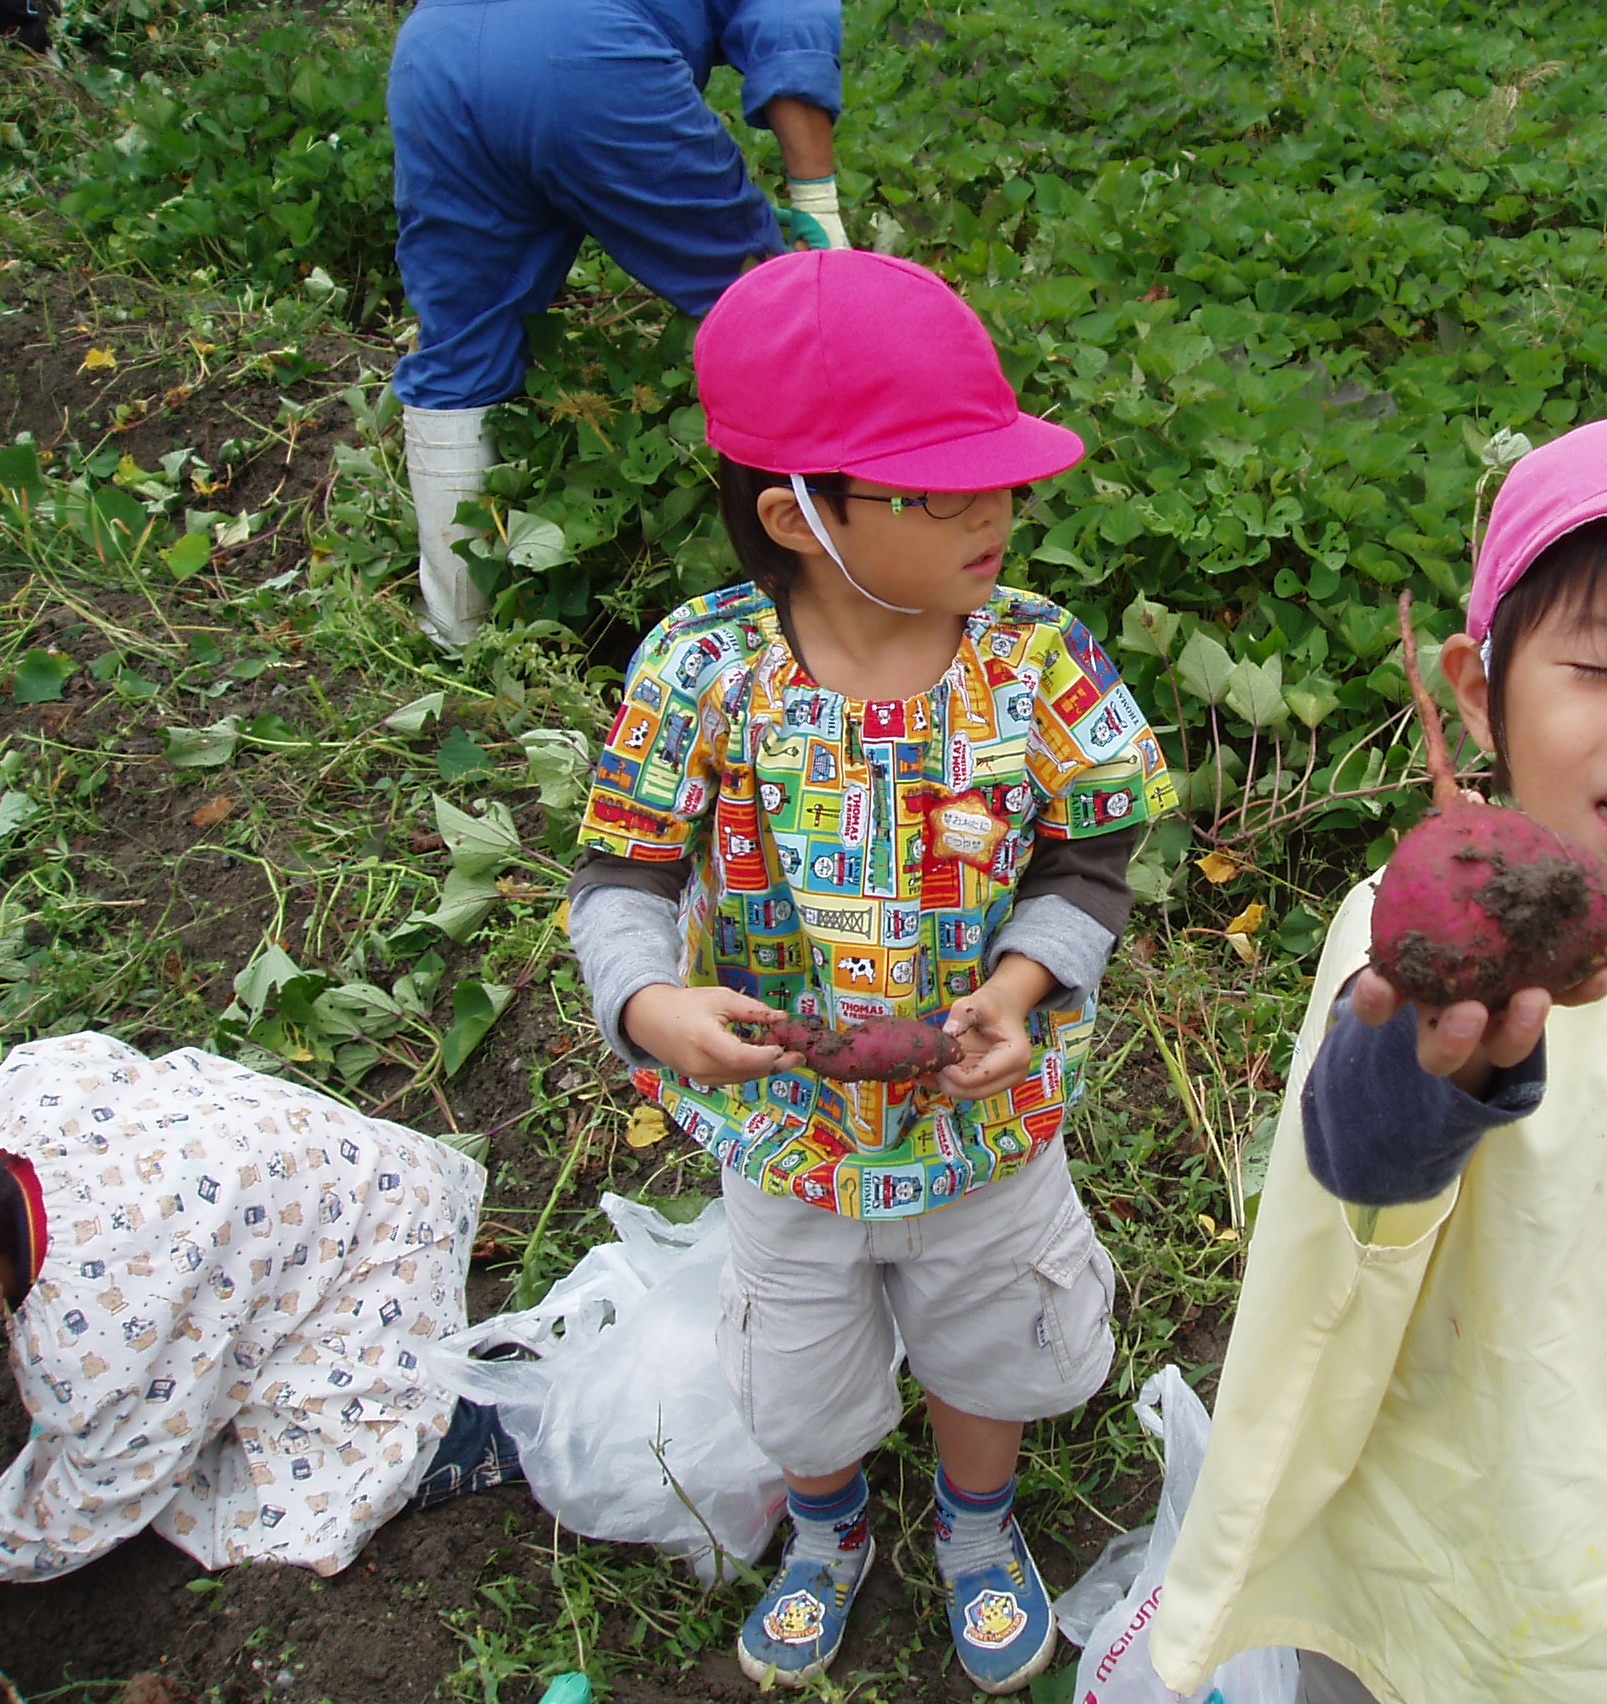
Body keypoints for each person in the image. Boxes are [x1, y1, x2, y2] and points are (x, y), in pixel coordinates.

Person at [1149, 400, 1607, 1704]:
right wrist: (1452, 1060)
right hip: (1424, 1526)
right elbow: (1359, 1166)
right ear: (1479, 694)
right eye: (1597, 666)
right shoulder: (1414, 935)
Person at [567, 249, 1178, 1692]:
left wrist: (1022, 992)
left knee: (992, 1332)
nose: (994, 514)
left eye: (1000, 479)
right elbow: (620, 873)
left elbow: (1092, 854)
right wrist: (650, 1003)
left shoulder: (1038, 665)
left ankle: (976, 1521)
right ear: (799, 516)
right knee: (799, 1361)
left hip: (985, 1119)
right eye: (938, 494)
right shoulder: (701, 673)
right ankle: (826, 1525)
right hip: (787, 1131)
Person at [387, 0, 846, 647]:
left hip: (435, 50)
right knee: (768, 313)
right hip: (584, 52)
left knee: (461, 341)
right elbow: (790, 33)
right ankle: (828, 596)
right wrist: (819, 208)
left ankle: (455, 629)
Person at [0, 1033, 518, 1583]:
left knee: (298, 1503)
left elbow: (104, 1492)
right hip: (347, 1170)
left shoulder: (96, 1342)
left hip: (378, 1260)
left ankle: (499, 1417)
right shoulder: (26, 1087)